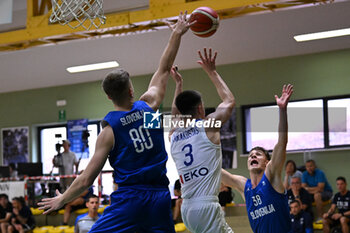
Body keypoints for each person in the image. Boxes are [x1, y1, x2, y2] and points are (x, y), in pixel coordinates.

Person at [38, 11, 193, 233]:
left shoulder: (109, 133)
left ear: (109, 97)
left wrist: (62, 199)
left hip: (130, 199)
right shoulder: (148, 107)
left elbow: (85, 180)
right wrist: (177, 33)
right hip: (159, 196)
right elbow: (163, 68)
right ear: (131, 90)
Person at [169, 48, 235, 233]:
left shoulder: (173, 133)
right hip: (206, 206)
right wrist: (211, 71)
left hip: (187, 208)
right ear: (200, 108)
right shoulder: (208, 125)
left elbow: (175, 116)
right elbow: (229, 101)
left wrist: (178, 84)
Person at [221, 84, 294, 233]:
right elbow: (217, 172)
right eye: (250, 155)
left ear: (267, 162)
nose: (253, 155)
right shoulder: (243, 185)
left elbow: (282, 142)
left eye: (258, 154)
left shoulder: (271, 176)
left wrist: (282, 110)